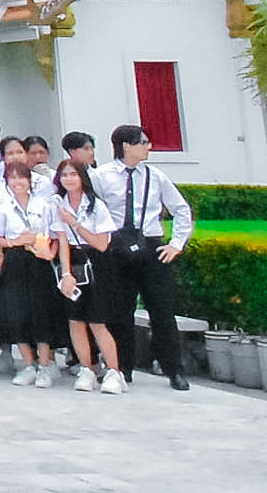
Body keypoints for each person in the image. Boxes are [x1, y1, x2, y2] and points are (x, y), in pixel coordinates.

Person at [94, 122, 193, 390]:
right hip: (116, 248)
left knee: (162, 309)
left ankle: (174, 369)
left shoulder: (156, 176)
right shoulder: (101, 176)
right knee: (120, 310)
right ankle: (122, 368)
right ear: (126, 145)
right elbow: (92, 211)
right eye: (144, 142)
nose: (149, 147)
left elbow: (181, 210)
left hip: (150, 246)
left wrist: (176, 244)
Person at [0, 162, 66, 388]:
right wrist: (13, 242)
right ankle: (28, 365)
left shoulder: (44, 205)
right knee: (17, 312)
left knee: (41, 312)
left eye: (21, 177)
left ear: (29, 180)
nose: (17, 182)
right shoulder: (5, 208)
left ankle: (44, 366)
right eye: (11, 178)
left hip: (39, 261)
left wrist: (47, 249)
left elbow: (56, 235)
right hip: (15, 262)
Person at [50, 160, 126, 394]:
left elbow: (101, 244)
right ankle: (87, 369)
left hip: (97, 263)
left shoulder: (96, 206)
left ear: (83, 177)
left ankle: (114, 372)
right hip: (72, 262)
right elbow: (62, 241)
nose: (69, 179)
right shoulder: (59, 204)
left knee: (97, 321)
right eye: (64, 175)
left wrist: (77, 223)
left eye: (73, 174)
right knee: (75, 321)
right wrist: (65, 274)